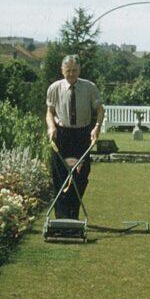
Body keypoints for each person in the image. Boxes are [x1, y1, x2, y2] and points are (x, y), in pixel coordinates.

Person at [45, 54, 104, 219]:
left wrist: (97, 127)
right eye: (68, 70)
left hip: (81, 135)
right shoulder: (54, 88)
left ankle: (73, 213)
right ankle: (62, 218)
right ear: (62, 70)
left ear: (79, 70)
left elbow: (100, 109)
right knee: (60, 176)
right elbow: (49, 112)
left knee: (81, 175)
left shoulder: (90, 87)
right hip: (62, 135)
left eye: (74, 70)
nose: (71, 74)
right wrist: (51, 127)